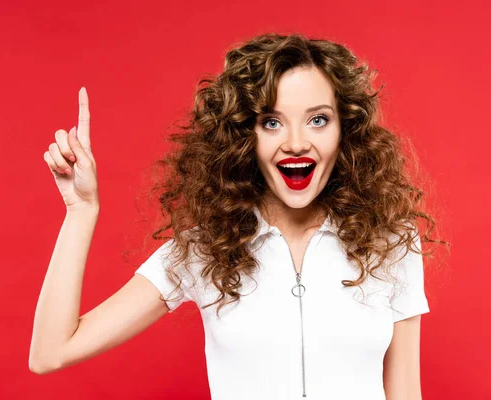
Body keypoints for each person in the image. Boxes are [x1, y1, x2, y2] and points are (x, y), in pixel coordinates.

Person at [29, 33, 448, 400]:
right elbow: (51, 353)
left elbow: (405, 392)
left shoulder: (391, 242)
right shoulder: (203, 248)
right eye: (272, 122)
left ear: (345, 131)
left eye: (318, 120)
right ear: (244, 135)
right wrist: (80, 211)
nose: (296, 142)